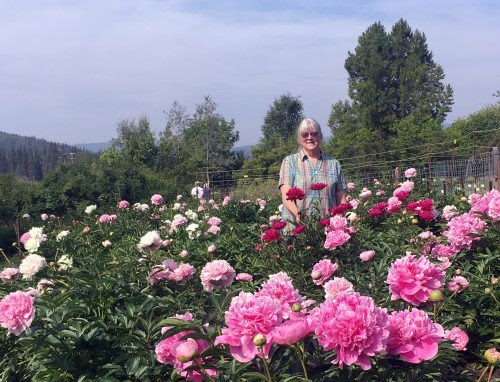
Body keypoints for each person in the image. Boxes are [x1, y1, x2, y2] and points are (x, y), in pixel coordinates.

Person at [278, 118, 347, 223]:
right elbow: (286, 196)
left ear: (320, 136)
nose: (310, 138)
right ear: (299, 138)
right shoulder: (289, 162)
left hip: (328, 228)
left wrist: (339, 222)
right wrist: (299, 216)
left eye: (314, 134)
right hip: (297, 228)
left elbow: (341, 200)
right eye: (305, 135)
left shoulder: (334, 163)